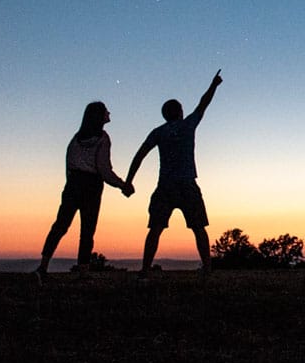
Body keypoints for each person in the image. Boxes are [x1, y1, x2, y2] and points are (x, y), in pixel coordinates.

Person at [126, 70, 223, 280]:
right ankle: (207, 269)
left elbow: (139, 155)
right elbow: (203, 103)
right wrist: (214, 85)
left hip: (166, 186)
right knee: (198, 227)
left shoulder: (158, 132)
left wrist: (129, 180)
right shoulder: (188, 125)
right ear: (179, 112)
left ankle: (145, 270)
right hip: (187, 184)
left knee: (155, 228)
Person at [33, 101, 133, 282]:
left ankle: (43, 266)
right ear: (100, 116)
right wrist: (122, 185)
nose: (109, 114)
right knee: (87, 231)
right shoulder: (103, 138)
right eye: (106, 112)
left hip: (73, 183)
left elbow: (68, 162)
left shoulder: (76, 138)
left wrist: (71, 183)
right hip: (91, 186)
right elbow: (104, 169)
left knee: (60, 226)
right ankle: (83, 272)